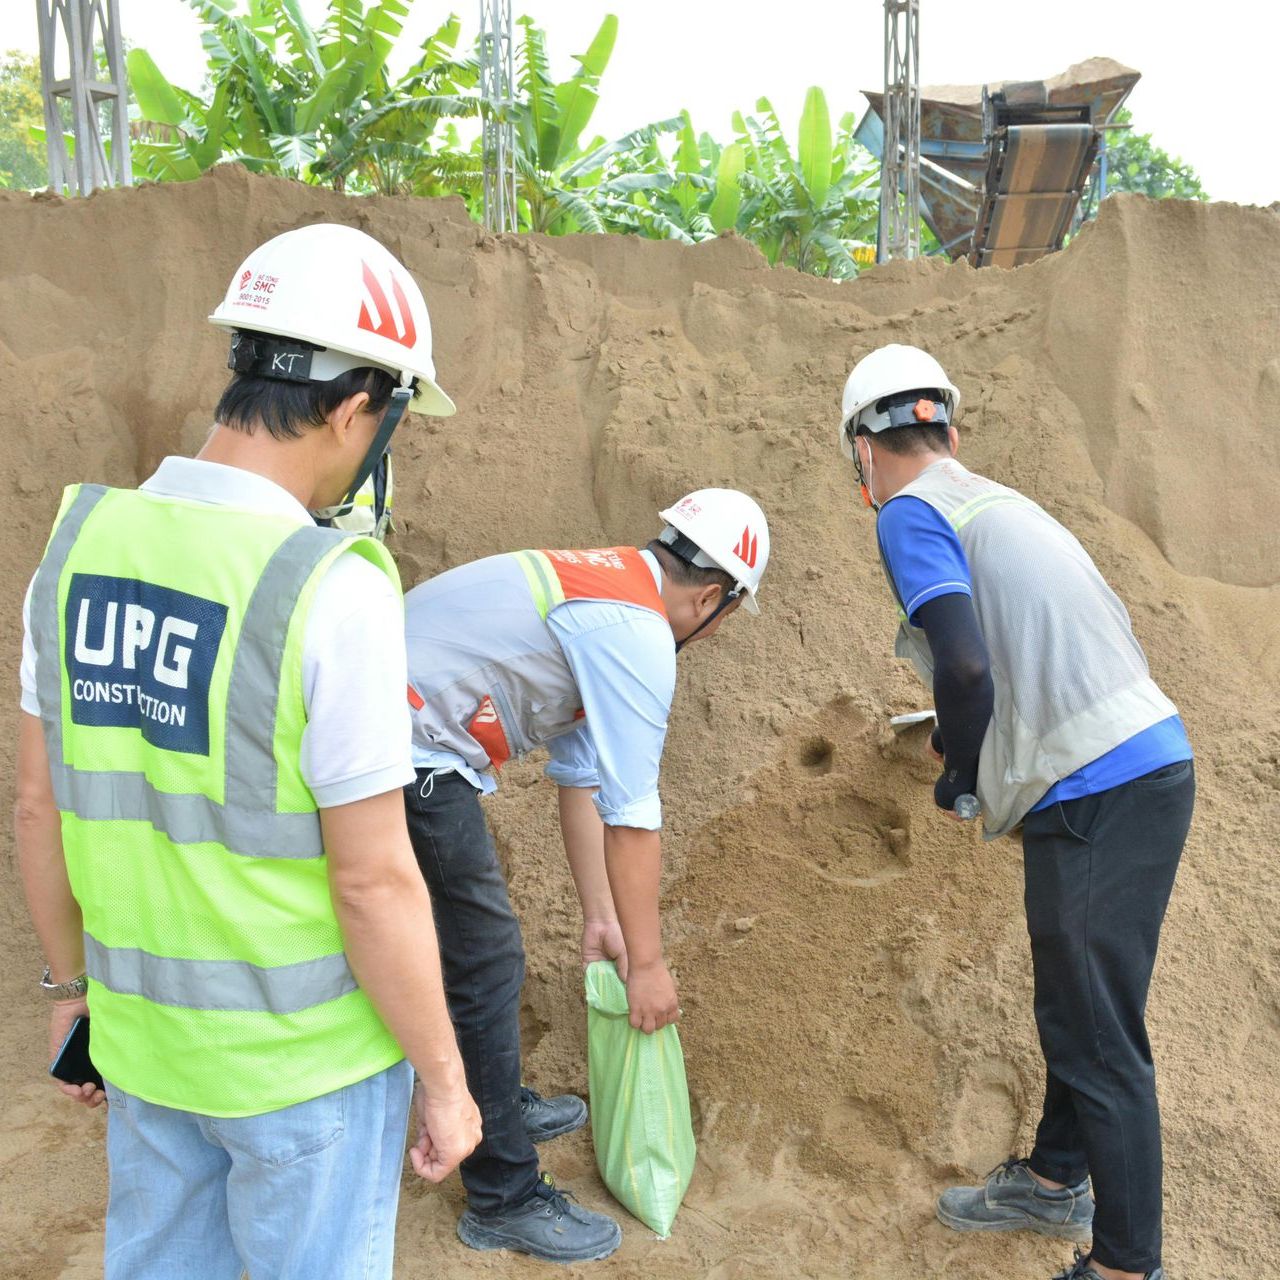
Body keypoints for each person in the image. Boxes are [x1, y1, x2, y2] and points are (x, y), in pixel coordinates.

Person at [15, 223, 482, 1280]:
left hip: (144, 1049)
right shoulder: (331, 584)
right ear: (356, 404)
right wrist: (445, 1078)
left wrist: (68, 987)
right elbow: (371, 880)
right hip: (302, 1071)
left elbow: (39, 805)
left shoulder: (79, 543)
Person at [838, 345, 1194, 1280]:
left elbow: (963, 665)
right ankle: (1054, 1178)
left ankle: (1124, 1266)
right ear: (949, 431)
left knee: (1096, 1032)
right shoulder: (1000, 501)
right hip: (1149, 761)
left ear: (864, 457)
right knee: (1085, 1005)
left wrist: (958, 767)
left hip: (1096, 786)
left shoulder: (912, 512)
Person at [401, 489, 770, 1262]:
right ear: (711, 599)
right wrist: (647, 963)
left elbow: (583, 780)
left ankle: (490, 1102)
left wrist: (601, 915)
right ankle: (501, 1194)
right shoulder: (637, 633)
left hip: (400, 730)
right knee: (486, 954)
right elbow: (634, 817)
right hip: (398, 744)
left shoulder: (606, 585)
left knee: (465, 942)